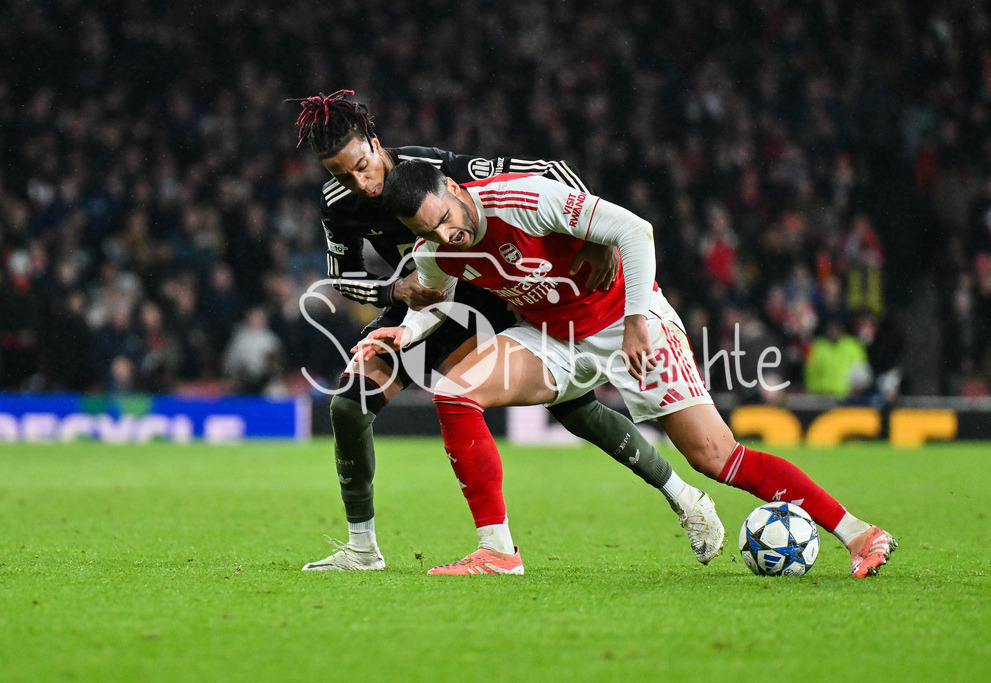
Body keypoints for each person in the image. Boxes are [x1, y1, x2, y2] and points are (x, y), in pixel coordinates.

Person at [360, 160, 896, 577]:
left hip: (627, 320)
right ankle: (497, 551)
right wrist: (404, 333)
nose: (446, 235)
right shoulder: (435, 250)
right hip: (554, 338)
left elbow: (635, 232)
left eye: (446, 219)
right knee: (455, 391)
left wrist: (638, 319)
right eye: (429, 231)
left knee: (716, 457)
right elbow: (433, 299)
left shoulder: (524, 201)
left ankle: (857, 533)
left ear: (454, 188)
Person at [289, 90, 724, 571]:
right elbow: (342, 275)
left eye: (362, 165)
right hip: (426, 302)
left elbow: (550, 173)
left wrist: (593, 238)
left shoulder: (436, 168)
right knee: (349, 405)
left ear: (373, 139)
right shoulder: (338, 202)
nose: (360, 182)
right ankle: (363, 550)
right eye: (341, 174)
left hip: (491, 298)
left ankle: (683, 497)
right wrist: (395, 295)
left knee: (575, 409)